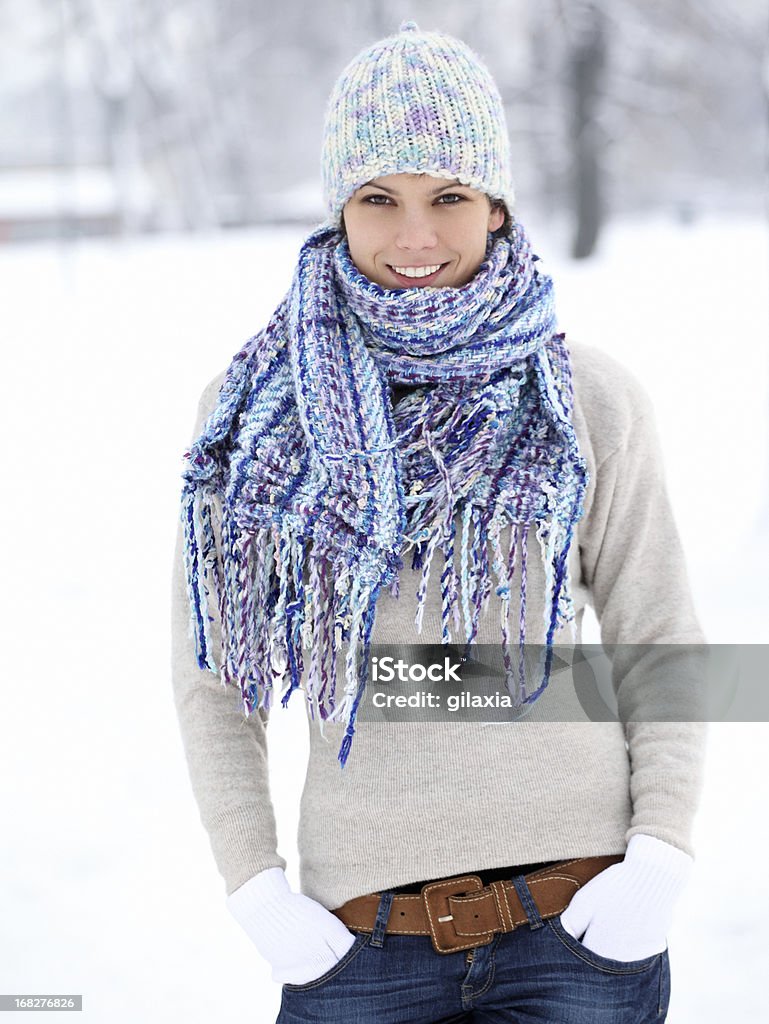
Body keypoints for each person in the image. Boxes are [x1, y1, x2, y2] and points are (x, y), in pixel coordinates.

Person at [171, 21, 707, 1023]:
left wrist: (662, 855)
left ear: (496, 206)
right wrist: (252, 883)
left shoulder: (585, 398)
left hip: (582, 927)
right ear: (338, 206)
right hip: (362, 945)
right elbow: (215, 678)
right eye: (379, 198)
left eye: (447, 196)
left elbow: (662, 636)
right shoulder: (252, 411)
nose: (414, 235)